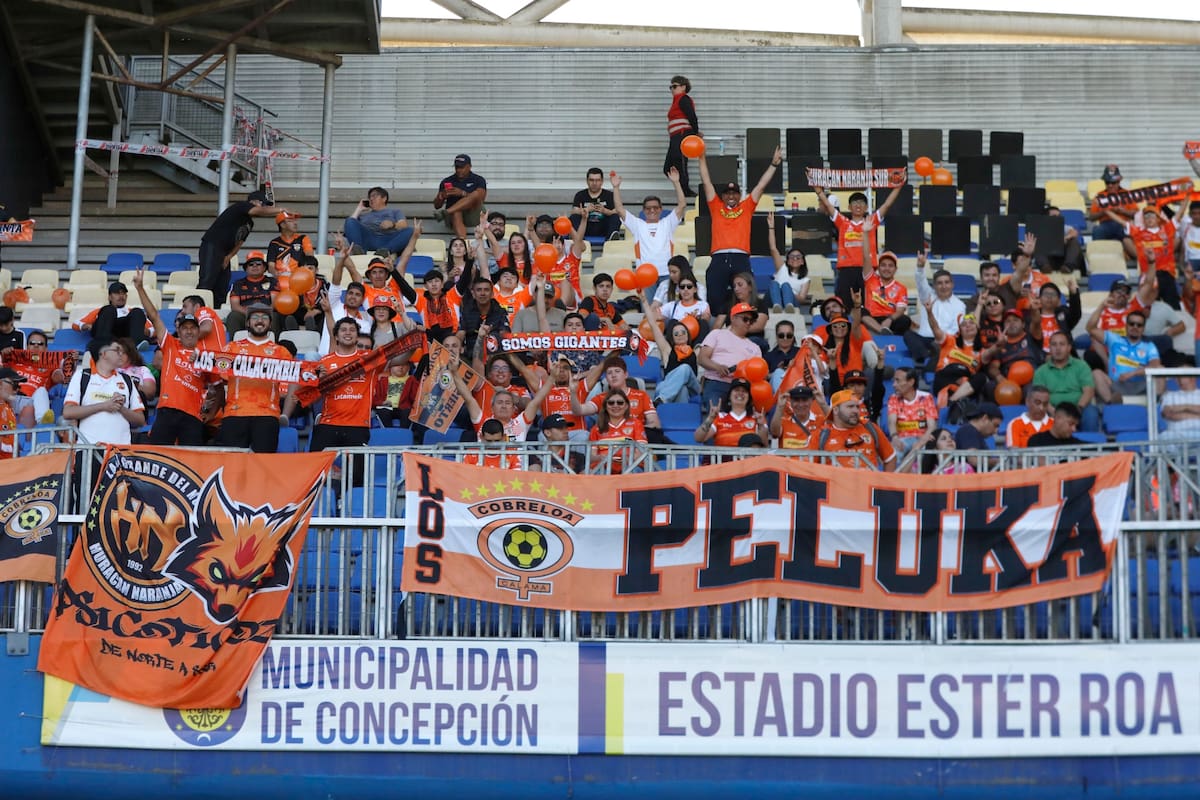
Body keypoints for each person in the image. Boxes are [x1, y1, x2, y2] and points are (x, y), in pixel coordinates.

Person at [697, 146, 781, 317]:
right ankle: (719, 330)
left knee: (746, 296)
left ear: (739, 195)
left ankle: (746, 325)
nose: (731, 196)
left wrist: (773, 165)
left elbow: (760, 186)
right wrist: (701, 156)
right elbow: (706, 181)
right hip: (719, 258)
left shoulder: (747, 206)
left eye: (734, 193)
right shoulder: (715, 206)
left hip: (741, 257)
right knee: (714, 297)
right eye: (727, 193)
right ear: (722, 196)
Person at [133, 268, 208, 446]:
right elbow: (154, 316)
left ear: (198, 332)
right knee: (158, 457)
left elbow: (218, 385)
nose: (189, 331)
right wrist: (140, 288)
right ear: (179, 332)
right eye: (184, 328)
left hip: (193, 415)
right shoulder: (170, 345)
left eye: (192, 328)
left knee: (192, 462)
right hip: (167, 410)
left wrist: (210, 413)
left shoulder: (206, 356)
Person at [298, 317, 382, 454]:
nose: (348, 333)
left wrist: (412, 340)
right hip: (328, 424)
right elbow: (309, 398)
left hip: (358, 425)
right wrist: (319, 381)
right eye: (343, 330)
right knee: (316, 468)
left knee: (356, 473)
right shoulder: (323, 362)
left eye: (352, 330)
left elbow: (398, 359)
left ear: (357, 337)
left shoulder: (368, 359)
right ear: (336, 336)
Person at [813, 181, 904, 307]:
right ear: (849, 207)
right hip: (846, 269)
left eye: (861, 202)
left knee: (868, 305)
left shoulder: (871, 221)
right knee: (844, 305)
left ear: (866, 207)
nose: (858, 205)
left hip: (867, 270)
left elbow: (887, 204)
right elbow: (828, 206)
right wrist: (819, 191)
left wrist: (898, 186)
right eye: (855, 202)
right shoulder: (843, 222)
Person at [215, 302, 291, 453]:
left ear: (270, 324)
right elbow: (218, 374)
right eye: (255, 317)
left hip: (267, 415)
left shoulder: (281, 352)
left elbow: (288, 386)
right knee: (233, 467)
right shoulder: (231, 348)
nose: (260, 320)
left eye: (264, 317)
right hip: (235, 413)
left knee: (263, 466)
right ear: (248, 322)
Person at [199, 189, 282, 308]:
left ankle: (216, 311)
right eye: (263, 204)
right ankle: (199, 310)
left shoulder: (249, 223)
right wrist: (281, 209)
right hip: (213, 245)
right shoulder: (241, 206)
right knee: (207, 280)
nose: (264, 207)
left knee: (222, 285)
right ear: (254, 201)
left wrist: (229, 256)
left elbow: (240, 242)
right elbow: (258, 210)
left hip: (225, 252)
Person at [62, 340, 146, 446]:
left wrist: (121, 408)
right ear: (103, 354)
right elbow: (68, 412)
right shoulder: (82, 376)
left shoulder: (127, 380)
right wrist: (104, 406)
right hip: (89, 449)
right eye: (117, 350)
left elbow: (140, 420)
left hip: (121, 452)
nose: (122, 354)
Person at [610, 169, 687, 278]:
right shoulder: (637, 225)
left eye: (655, 208)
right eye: (648, 208)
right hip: (644, 274)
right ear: (643, 210)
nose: (652, 211)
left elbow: (682, 204)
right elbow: (619, 209)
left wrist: (676, 182)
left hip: (666, 273)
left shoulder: (668, 223)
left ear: (661, 209)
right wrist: (616, 188)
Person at [697, 302, 764, 408]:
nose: (748, 323)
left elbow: (758, 373)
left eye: (751, 321)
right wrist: (717, 367)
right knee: (715, 415)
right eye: (745, 319)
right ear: (733, 318)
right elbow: (702, 358)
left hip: (741, 387)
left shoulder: (755, 347)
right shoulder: (717, 334)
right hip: (716, 381)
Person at [1090, 308, 1163, 403]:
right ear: (1126, 326)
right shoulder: (1114, 339)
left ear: (1143, 328)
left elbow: (1155, 366)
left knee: (1160, 369)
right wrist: (1102, 306)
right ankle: (1111, 404)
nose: (1135, 327)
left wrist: (1132, 373)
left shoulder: (1149, 346)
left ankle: (1156, 405)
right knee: (1096, 373)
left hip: (1141, 385)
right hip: (1116, 384)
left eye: (1139, 325)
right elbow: (1091, 328)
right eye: (1131, 324)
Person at [1033, 331, 1100, 433]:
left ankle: (1089, 447)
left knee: (1091, 413)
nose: (1058, 348)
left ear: (1069, 348)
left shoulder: (1081, 366)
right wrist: (1056, 413)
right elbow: (1039, 399)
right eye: (1054, 344)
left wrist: (1077, 410)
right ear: (1049, 348)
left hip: (1079, 407)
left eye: (1062, 344)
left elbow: (1088, 391)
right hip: (1052, 409)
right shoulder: (1041, 371)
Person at [640, 297, 701, 405]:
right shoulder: (667, 350)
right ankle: (677, 418)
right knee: (682, 390)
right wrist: (645, 301)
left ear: (688, 334)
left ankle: (661, 399)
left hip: (693, 387)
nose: (680, 335)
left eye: (683, 332)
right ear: (672, 338)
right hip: (675, 387)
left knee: (685, 368)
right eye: (676, 334)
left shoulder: (695, 351)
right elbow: (653, 326)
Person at [1119, 203, 1181, 309]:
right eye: (1146, 216)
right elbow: (1123, 223)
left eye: (1152, 215)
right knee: (1148, 308)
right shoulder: (1139, 233)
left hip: (1166, 274)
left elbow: (1179, 215)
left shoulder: (1167, 229)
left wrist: (1187, 198)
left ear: (1158, 218)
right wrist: (1108, 211)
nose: (1149, 218)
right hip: (1148, 275)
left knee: (1173, 307)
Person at [816, 389, 895, 471]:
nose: (855, 411)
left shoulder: (870, 428)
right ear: (836, 410)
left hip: (868, 482)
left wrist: (883, 482)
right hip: (837, 483)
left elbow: (890, 458)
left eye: (857, 407)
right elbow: (808, 467)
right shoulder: (821, 435)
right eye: (850, 407)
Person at [911, 253, 966, 370]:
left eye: (947, 282)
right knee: (908, 336)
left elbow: (955, 329)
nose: (943, 286)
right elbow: (921, 283)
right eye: (939, 283)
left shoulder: (960, 305)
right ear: (934, 286)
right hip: (925, 340)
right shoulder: (928, 296)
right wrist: (920, 268)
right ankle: (928, 354)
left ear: (952, 284)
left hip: (944, 341)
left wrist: (941, 339)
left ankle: (930, 355)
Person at [72, 281, 151, 350]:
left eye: (123, 293)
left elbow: (153, 329)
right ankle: (103, 344)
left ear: (126, 296)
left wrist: (147, 331)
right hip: (106, 333)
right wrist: (86, 326)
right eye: (117, 293)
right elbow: (75, 324)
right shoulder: (101, 311)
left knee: (138, 311)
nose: (121, 296)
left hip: (126, 334)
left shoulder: (132, 312)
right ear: (110, 297)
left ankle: (137, 344)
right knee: (109, 310)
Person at [695, 378, 768, 447]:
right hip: (725, 460)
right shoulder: (720, 417)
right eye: (736, 390)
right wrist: (710, 419)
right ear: (729, 395)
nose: (740, 393)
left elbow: (764, 445)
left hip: (748, 460)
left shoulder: (757, 418)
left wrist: (761, 426)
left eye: (744, 391)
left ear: (749, 397)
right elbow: (699, 438)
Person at [588, 388, 648, 473]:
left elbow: (641, 451)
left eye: (620, 403)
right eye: (611, 403)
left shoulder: (636, 424)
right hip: (604, 468)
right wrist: (600, 457)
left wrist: (628, 459)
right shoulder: (596, 428)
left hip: (630, 466)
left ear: (626, 405)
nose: (615, 405)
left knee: (631, 472)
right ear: (605, 406)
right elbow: (591, 456)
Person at [886, 366, 938, 460]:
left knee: (926, 451)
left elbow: (932, 425)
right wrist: (894, 437)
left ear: (911, 382)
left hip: (923, 438)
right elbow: (891, 422)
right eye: (894, 380)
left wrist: (923, 440)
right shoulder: (893, 398)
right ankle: (892, 475)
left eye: (898, 381)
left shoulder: (926, 397)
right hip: (902, 439)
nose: (894, 385)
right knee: (893, 453)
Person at [224, 251, 281, 335]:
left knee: (275, 316)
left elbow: (275, 303)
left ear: (264, 267)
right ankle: (234, 346)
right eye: (251, 264)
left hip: (267, 313)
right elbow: (235, 306)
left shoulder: (272, 281)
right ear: (246, 268)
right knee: (233, 316)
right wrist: (251, 314)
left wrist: (261, 314)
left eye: (258, 264)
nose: (254, 266)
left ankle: (273, 345)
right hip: (245, 314)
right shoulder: (238, 283)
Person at [343, 186, 412, 255]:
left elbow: (404, 225)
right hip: (369, 239)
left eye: (374, 196)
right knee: (350, 220)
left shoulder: (395, 212)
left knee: (411, 230)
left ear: (384, 198)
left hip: (388, 239)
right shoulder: (363, 215)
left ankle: (384, 252)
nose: (371, 199)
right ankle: (358, 251)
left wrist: (392, 224)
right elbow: (350, 225)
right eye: (369, 197)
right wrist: (359, 209)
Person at [433, 154, 487, 238]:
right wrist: (441, 196)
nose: (458, 170)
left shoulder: (478, 180)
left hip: (473, 214)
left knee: (475, 194)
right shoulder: (447, 181)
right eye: (456, 167)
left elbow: (481, 199)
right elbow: (437, 206)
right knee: (456, 212)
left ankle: (446, 212)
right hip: (453, 217)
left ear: (469, 166)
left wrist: (462, 193)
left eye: (462, 167)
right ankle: (463, 242)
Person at [765, 211, 810, 311]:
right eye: (791, 257)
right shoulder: (782, 268)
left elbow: (802, 298)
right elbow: (773, 248)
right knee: (774, 284)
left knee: (786, 286)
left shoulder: (805, 280)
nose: (794, 259)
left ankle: (788, 305)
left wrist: (788, 293)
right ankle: (777, 306)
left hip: (792, 300)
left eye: (798, 257)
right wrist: (771, 227)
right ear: (787, 261)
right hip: (773, 298)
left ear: (803, 261)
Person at [860, 250, 910, 336]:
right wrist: (866, 236)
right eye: (883, 265)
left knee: (905, 320)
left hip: (889, 318)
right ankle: (881, 331)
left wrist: (889, 319)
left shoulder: (901, 288)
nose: (887, 268)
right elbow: (866, 257)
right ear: (878, 268)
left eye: (890, 266)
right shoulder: (870, 279)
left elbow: (900, 311)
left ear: (895, 269)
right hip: (871, 317)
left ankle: (887, 333)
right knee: (860, 311)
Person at [664, 75, 699, 197]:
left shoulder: (684, 99)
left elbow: (692, 116)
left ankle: (686, 190)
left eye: (674, 86)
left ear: (683, 87)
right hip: (675, 137)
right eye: (671, 87)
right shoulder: (676, 101)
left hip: (682, 135)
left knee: (680, 162)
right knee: (668, 167)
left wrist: (695, 133)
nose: (672, 89)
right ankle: (681, 188)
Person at [1028, 279, 1080, 354]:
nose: (1049, 297)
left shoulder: (1064, 313)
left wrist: (1074, 294)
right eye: (1046, 294)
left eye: (1053, 294)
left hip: (1064, 356)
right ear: (1039, 298)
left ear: (1059, 300)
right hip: (1039, 357)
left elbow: (1076, 314)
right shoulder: (1032, 315)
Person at [571, 168, 621, 240]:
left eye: (597, 180)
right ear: (587, 181)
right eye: (591, 180)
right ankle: (580, 240)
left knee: (615, 217)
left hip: (603, 227)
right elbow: (574, 211)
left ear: (602, 181)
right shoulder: (580, 195)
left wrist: (605, 211)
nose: (594, 183)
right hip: (585, 226)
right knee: (574, 217)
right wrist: (584, 210)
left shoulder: (609, 195)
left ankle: (611, 238)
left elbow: (618, 211)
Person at [770, 385, 825, 450]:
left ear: (811, 400)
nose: (800, 404)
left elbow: (835, 426)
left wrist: (823, 404)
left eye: (804, 400)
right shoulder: (784, 421)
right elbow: (774, 433)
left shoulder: (820, 420)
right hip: (787, 460)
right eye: (796, 400)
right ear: (790, 401)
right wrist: (780, 407)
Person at [1088, 165, 1133, 241]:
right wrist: (1104, 212)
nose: (1110, 185)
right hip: (1105, 224)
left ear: (1119, 182)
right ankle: (1098, 253)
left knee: (1129, 232)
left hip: (1122, 224)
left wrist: (1122, 211)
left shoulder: (1127, 194)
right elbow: (1091, 217)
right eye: (1107, 182)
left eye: (1113, 183)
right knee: (1097, 231)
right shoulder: (1100, 195)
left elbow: (1135, 214)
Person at [1005, 384, 1053, 448]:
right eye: (1037, 403)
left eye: (1045, 404)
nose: (1041, 408)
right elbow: (1014, 454)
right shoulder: (1015, 424)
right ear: (1027, 401)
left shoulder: (1054, 423)